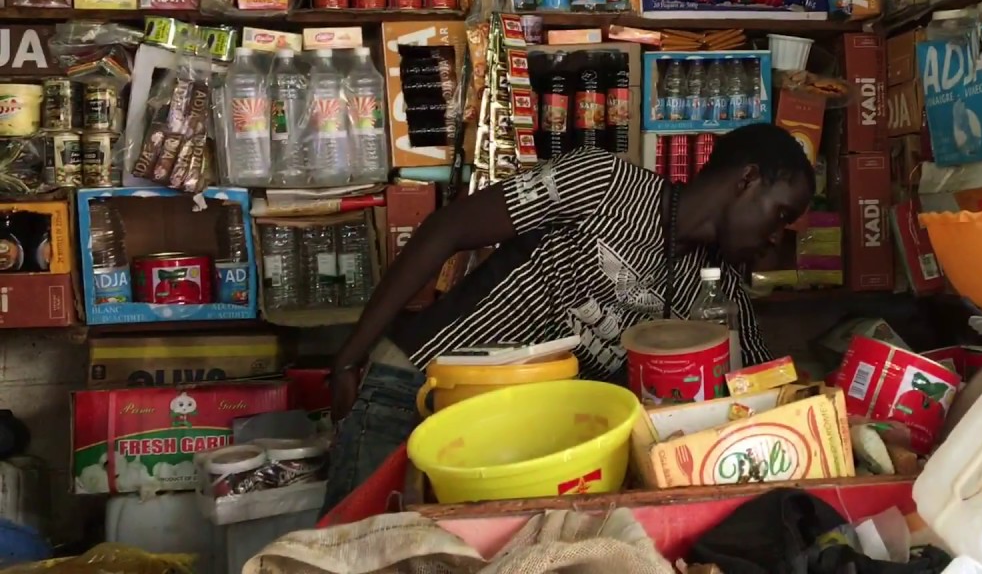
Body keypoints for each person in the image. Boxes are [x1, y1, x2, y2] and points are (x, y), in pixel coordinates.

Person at [321, 123, 815, 512]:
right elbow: (447, 228)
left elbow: (770, 386)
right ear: (747, 180)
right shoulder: (605, 184)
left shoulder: (715, 292)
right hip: (416, 389)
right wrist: (349, 358)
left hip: (509, 443)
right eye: (781, 215)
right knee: (347, 549)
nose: (777, 238)